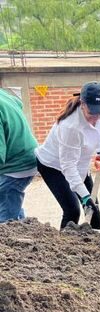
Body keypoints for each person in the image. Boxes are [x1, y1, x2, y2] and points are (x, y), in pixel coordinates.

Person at [35, 82, 100, 231]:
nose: (96, 118)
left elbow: (99, 132)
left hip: (79, 164)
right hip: (53, 166)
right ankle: (64, 248)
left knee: (93, 208)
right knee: (73, 210)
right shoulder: (70, 126)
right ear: (82, 104)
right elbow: (68, 166)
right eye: (92, 114)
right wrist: (84, 196)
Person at [0, 89, 38, 223]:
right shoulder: (3, 94)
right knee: (10, 199)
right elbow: (18, 103)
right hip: (28, 157)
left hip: (15, 166)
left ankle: (9, 231)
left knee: (4, 216)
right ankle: (19, 223)